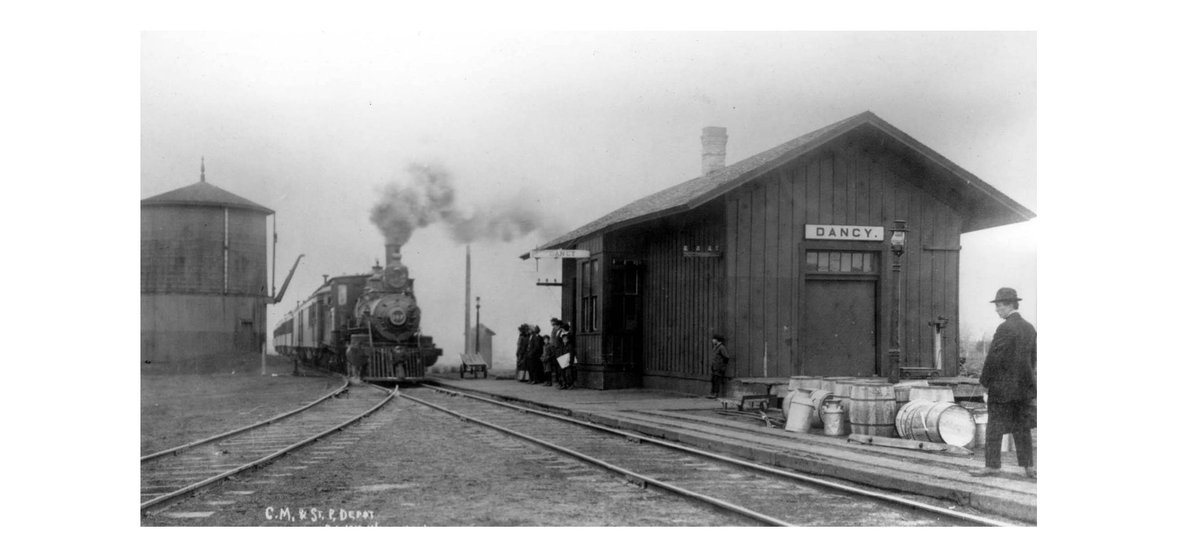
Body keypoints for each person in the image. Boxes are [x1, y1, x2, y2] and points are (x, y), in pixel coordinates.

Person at [970, 288, 1037, 479]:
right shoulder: (1030, 328)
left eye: (999, 306)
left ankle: (992, 466)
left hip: (1003, 388)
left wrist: (985, 383)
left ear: (1010, 305)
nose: (997, 310)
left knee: (994, 427)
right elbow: (1033, 359)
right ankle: (1028, 467)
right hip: (1024, 388)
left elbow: (994, 358)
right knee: (1022, 427)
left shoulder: (1005, 328)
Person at [558, 322, 576, 389]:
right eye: (563, 339)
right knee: (563, 372)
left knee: (568, 373)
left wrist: (571, 360)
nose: (564, 340)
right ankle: (564, 384)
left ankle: (570, 384)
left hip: (568, 358)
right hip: (563, 359)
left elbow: (571, 352)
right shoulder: (563, 345)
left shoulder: (569, 340)